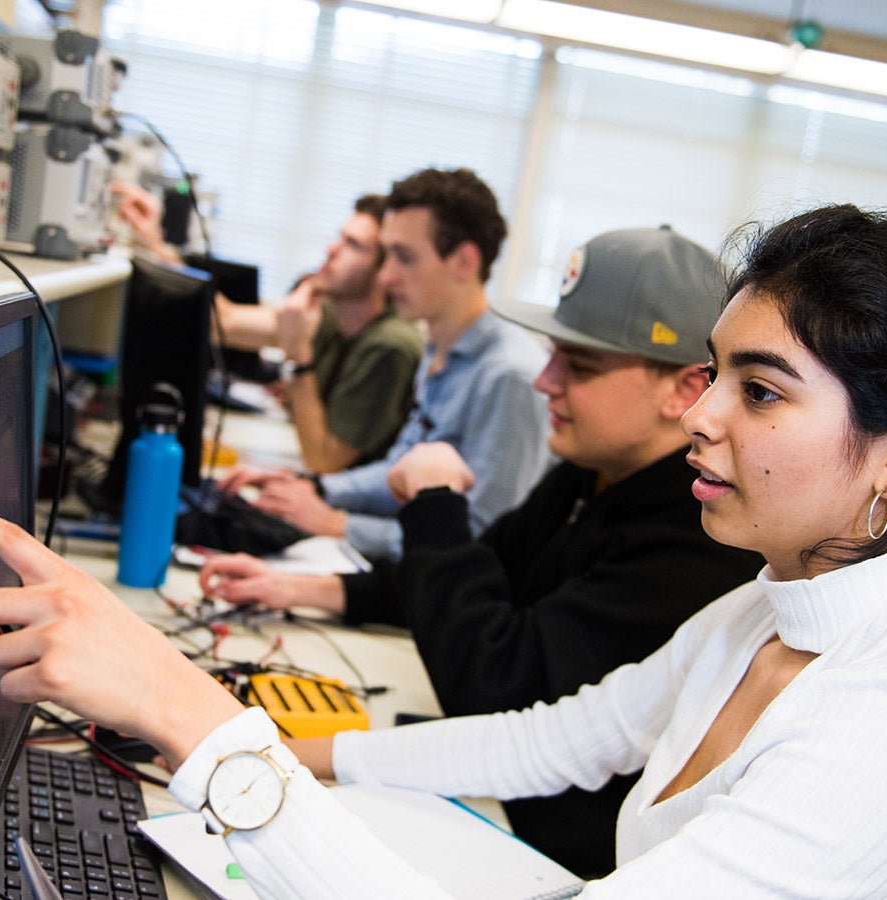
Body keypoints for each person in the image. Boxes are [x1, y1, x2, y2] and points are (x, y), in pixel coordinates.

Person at [0, 205, 887, 896]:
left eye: (761, 391)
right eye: (713, 374)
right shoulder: (767, 608)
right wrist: (307, 756)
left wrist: (195, 721)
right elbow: (557, 737)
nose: (701, 417)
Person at [195, 226, 765, 875]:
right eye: (552, 354)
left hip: (546, 848)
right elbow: (487, 571)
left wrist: (434, 506)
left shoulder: (696, 539)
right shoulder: (598, 470)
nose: (544, 381)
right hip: (498, 795)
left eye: (577, 366)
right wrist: (302, 589)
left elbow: (497, 688)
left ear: (686, 390)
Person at [222, 167, 552, 561]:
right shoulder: (440, 346)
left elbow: (481, 538)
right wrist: (315, 488)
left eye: (404, 257)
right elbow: (398, 471)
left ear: (464, 262)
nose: (386, 275)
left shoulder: (509, 377)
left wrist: (336, 524)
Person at [115, 185, 424, 472]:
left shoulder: (390, 345)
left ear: (385, 268)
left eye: (353, 245)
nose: (332, 249)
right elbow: (223, 323)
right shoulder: (329, 314)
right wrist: (153, 241)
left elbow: (325, 462)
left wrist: (300, 357)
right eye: (339, 237)